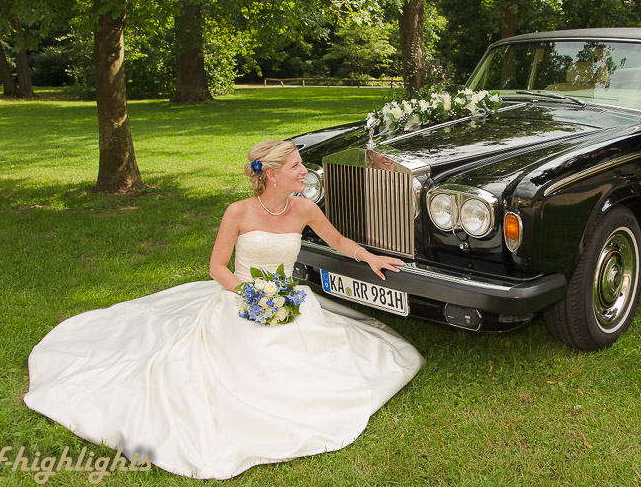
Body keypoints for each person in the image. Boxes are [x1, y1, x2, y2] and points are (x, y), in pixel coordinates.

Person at [23, 140, 425, 479]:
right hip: (240, 298)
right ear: (270, 174)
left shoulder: (303, 209)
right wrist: (252, 294)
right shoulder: (238, 212)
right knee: (246, 362)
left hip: (288, 298)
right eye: (296, 166)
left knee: (329, 356)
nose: (304, 172)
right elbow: (217, 268)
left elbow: (337, 240)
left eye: (302, 165)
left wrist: (369, 258)